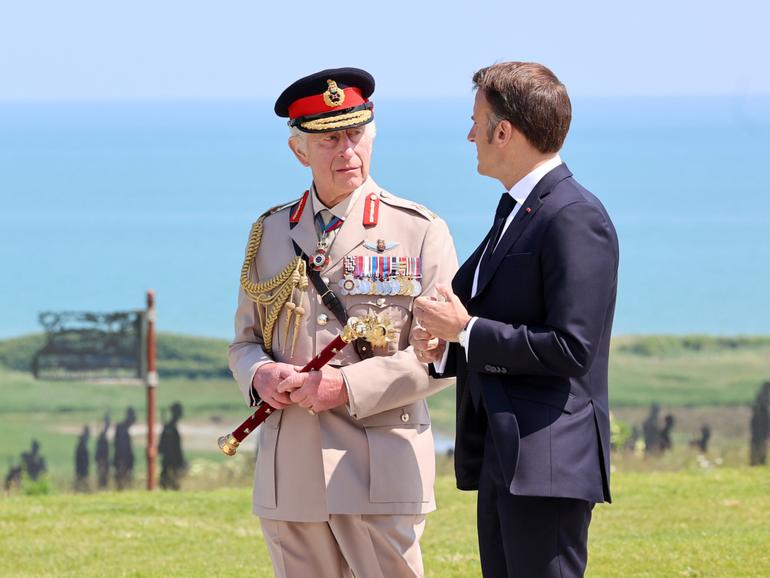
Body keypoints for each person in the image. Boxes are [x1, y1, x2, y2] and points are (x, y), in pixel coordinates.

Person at [228, 67, 457, 578]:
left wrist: (345, 386)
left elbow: (445, 354)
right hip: (292, 470)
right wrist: (259, 375)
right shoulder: (269, 233)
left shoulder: (419, 231)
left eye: (356, 134)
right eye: (330, 139)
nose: (347, 151)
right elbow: (244, 342)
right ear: (299, 151)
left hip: (381, 467)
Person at [413, 62, 619, 578]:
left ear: (503, 131)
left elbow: (573, 349)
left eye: (475, 120)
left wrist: (463, 331)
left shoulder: (573, 215)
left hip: (549, 461)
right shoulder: (519, 209)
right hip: (507, 457)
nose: (469, 134)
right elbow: (490, 315)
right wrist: (445, 345)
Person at [159, 402, 186, 490]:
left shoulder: (170, 427)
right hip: (171, 460)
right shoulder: (171, 428)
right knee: (171, 482)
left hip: (171, 460)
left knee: (170, 482)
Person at [113, 407, 136, 490]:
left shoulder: (122, 428)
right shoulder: (122, 429)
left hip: (123, 461)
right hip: (123, 461)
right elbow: (121, 448)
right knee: (122, 483)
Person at [750, 381, 770, 466]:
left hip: (757, 430)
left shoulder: (759, 398)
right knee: (760, 445)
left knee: (757, 445)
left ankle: (756, 462)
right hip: (761, 429)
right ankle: (759, 461)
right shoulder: (763, 400)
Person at [95, 414, 110, 489]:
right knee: (102, 481)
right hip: (102, 463)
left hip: (103, 463)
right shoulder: (102, 438)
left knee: (104, 481)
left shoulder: (103, 437)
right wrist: (102, 463)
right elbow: (100, 453)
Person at [74, 425, 90, 491]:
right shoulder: (82, 444)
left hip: (82, 467)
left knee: (81, 482)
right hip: (82, 468)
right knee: (81, 481)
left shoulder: (81, 444)